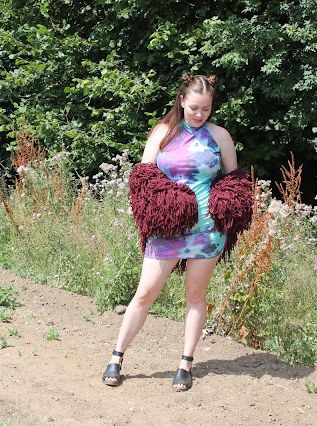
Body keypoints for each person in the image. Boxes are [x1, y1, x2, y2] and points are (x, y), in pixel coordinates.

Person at [102, 73, 241, 391]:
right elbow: (143, 177)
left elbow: (235, 180)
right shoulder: (163, 133)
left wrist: (227, 208)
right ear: (181, 100)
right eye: (194, 107)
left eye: (206, 109)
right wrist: (170, 204)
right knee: (145, 293)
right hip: (166, 227)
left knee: (195, 296)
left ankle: (185, 364)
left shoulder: (219, 136)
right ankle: (117, 356)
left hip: (207, 229)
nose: (199, 114)